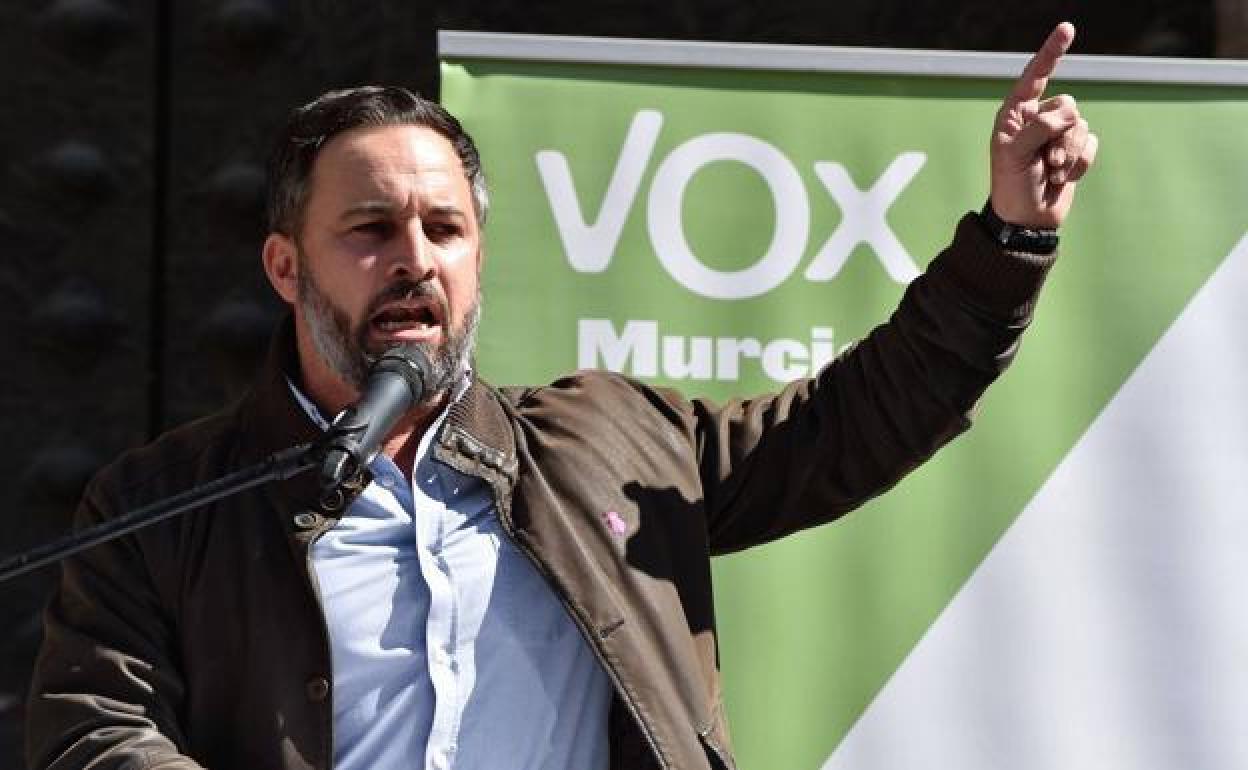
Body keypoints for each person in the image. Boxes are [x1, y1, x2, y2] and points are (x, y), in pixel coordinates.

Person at [25, 22, 1096, 770]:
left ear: (478, 256)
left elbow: (856, 420)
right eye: (370, 229)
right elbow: (93, 729)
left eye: (444, 229)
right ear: (285, 265)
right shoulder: (163, 506)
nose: (415, 259)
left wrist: (1010, 237)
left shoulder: (608, 445)